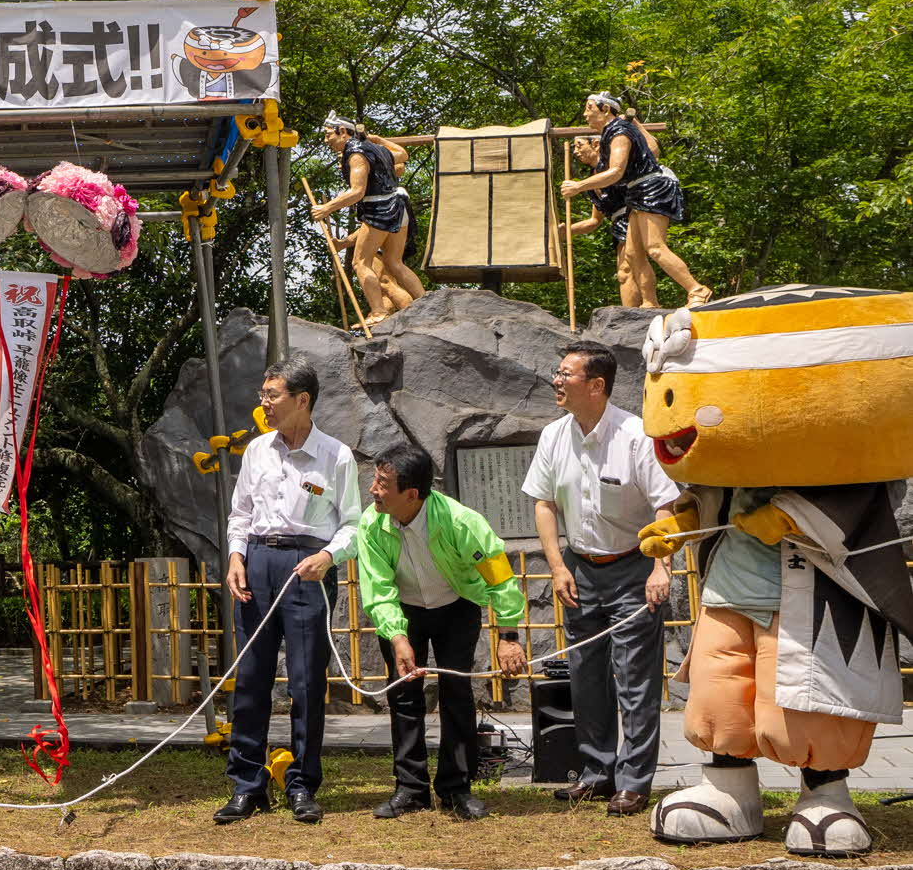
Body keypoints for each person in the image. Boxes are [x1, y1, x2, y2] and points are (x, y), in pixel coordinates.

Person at [521, 341, 680, 815]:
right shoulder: (553, 435)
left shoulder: (635, 434)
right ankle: (595, 773)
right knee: (585, 676)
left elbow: (666, 506)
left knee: (635, 680)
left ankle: (633, 781)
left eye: (565, 374)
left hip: (633, 567)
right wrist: (556, 566)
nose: (556, 380)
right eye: (557, 371)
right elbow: (544, 502)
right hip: (579, 569)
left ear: (597, 385)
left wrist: (661, 566)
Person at [217, 355, 362, 825]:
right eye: (263, 395)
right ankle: (247, 785)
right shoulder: (257, 450)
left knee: (305, 681)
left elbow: (355, 525)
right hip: (257, 564)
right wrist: (236, 556)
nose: (264, 404)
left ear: (303, 400)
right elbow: (240, 513)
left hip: (308, 569)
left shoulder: (336, 455)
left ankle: (301, 783)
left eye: (272, 395)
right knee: (252, 677)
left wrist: (328, 557)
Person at [356, 442, 529, 820]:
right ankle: (410, 789)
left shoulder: (461, 522)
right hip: (404, 612)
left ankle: (456, 789)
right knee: (404, 695)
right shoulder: (371, 522)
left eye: (383, 483)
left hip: (457, 607)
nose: (373, 490)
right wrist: (396, 635)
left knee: (457, 693)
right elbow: (377, 587)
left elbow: (500, 577)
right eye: (375, 479)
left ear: (412, 494)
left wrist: (509, 635)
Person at [559, 93, 711, 307]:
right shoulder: (609, 137)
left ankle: (697, 291)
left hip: (651, 187)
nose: (585, 114)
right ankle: (650, 304)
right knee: (632, 254)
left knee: (655, 247)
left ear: (605, 110)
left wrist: (578, 186)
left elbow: (616, 171)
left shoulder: (619, 131)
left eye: (589, 107)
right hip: (636, 192)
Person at [312, 114, 425, 322]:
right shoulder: (377, 149)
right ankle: (427, 304)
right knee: (394, 262)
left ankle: (378, 312)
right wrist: (379, 140)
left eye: (329, 135)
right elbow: (402, 154)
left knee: (361, 263)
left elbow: (357, 191)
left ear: (343, 132)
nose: (326, 140)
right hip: (398, 208)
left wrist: (326, 208)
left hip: (380, 209)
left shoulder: (355, 152)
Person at [566, 136, 650, 308]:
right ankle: (631, 313)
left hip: (633, 214)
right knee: (623, 273)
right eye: (574, 147)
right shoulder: (590, 181)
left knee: (631, 265)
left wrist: (578, 186)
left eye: (579, 145)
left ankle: (646, 306)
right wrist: (566, 230)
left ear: (596, 144)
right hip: (618, 223)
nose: (575, 151)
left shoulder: (615, 165)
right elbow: (594, 221)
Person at [333, 223, 415, 322]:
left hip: (383, 238)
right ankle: (385, 321)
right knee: (383, 290)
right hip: (396, 231)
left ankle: (412, 318)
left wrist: (344, 243)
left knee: (385, 283)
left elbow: (372, 223)